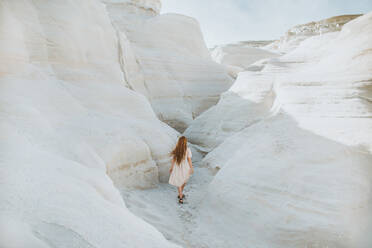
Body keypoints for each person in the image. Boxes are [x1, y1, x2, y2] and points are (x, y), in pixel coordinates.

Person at [169, 136, 194, 204]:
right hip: (185, 167)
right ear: (185, 142)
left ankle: (180, 194)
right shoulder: (187, 149)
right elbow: (189, 160)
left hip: (177, 167)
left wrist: (172, 167)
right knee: (183, 181)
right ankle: (180, 197)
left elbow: (173, 160)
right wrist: (191, 168)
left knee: (181, 181)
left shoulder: (177, 149)